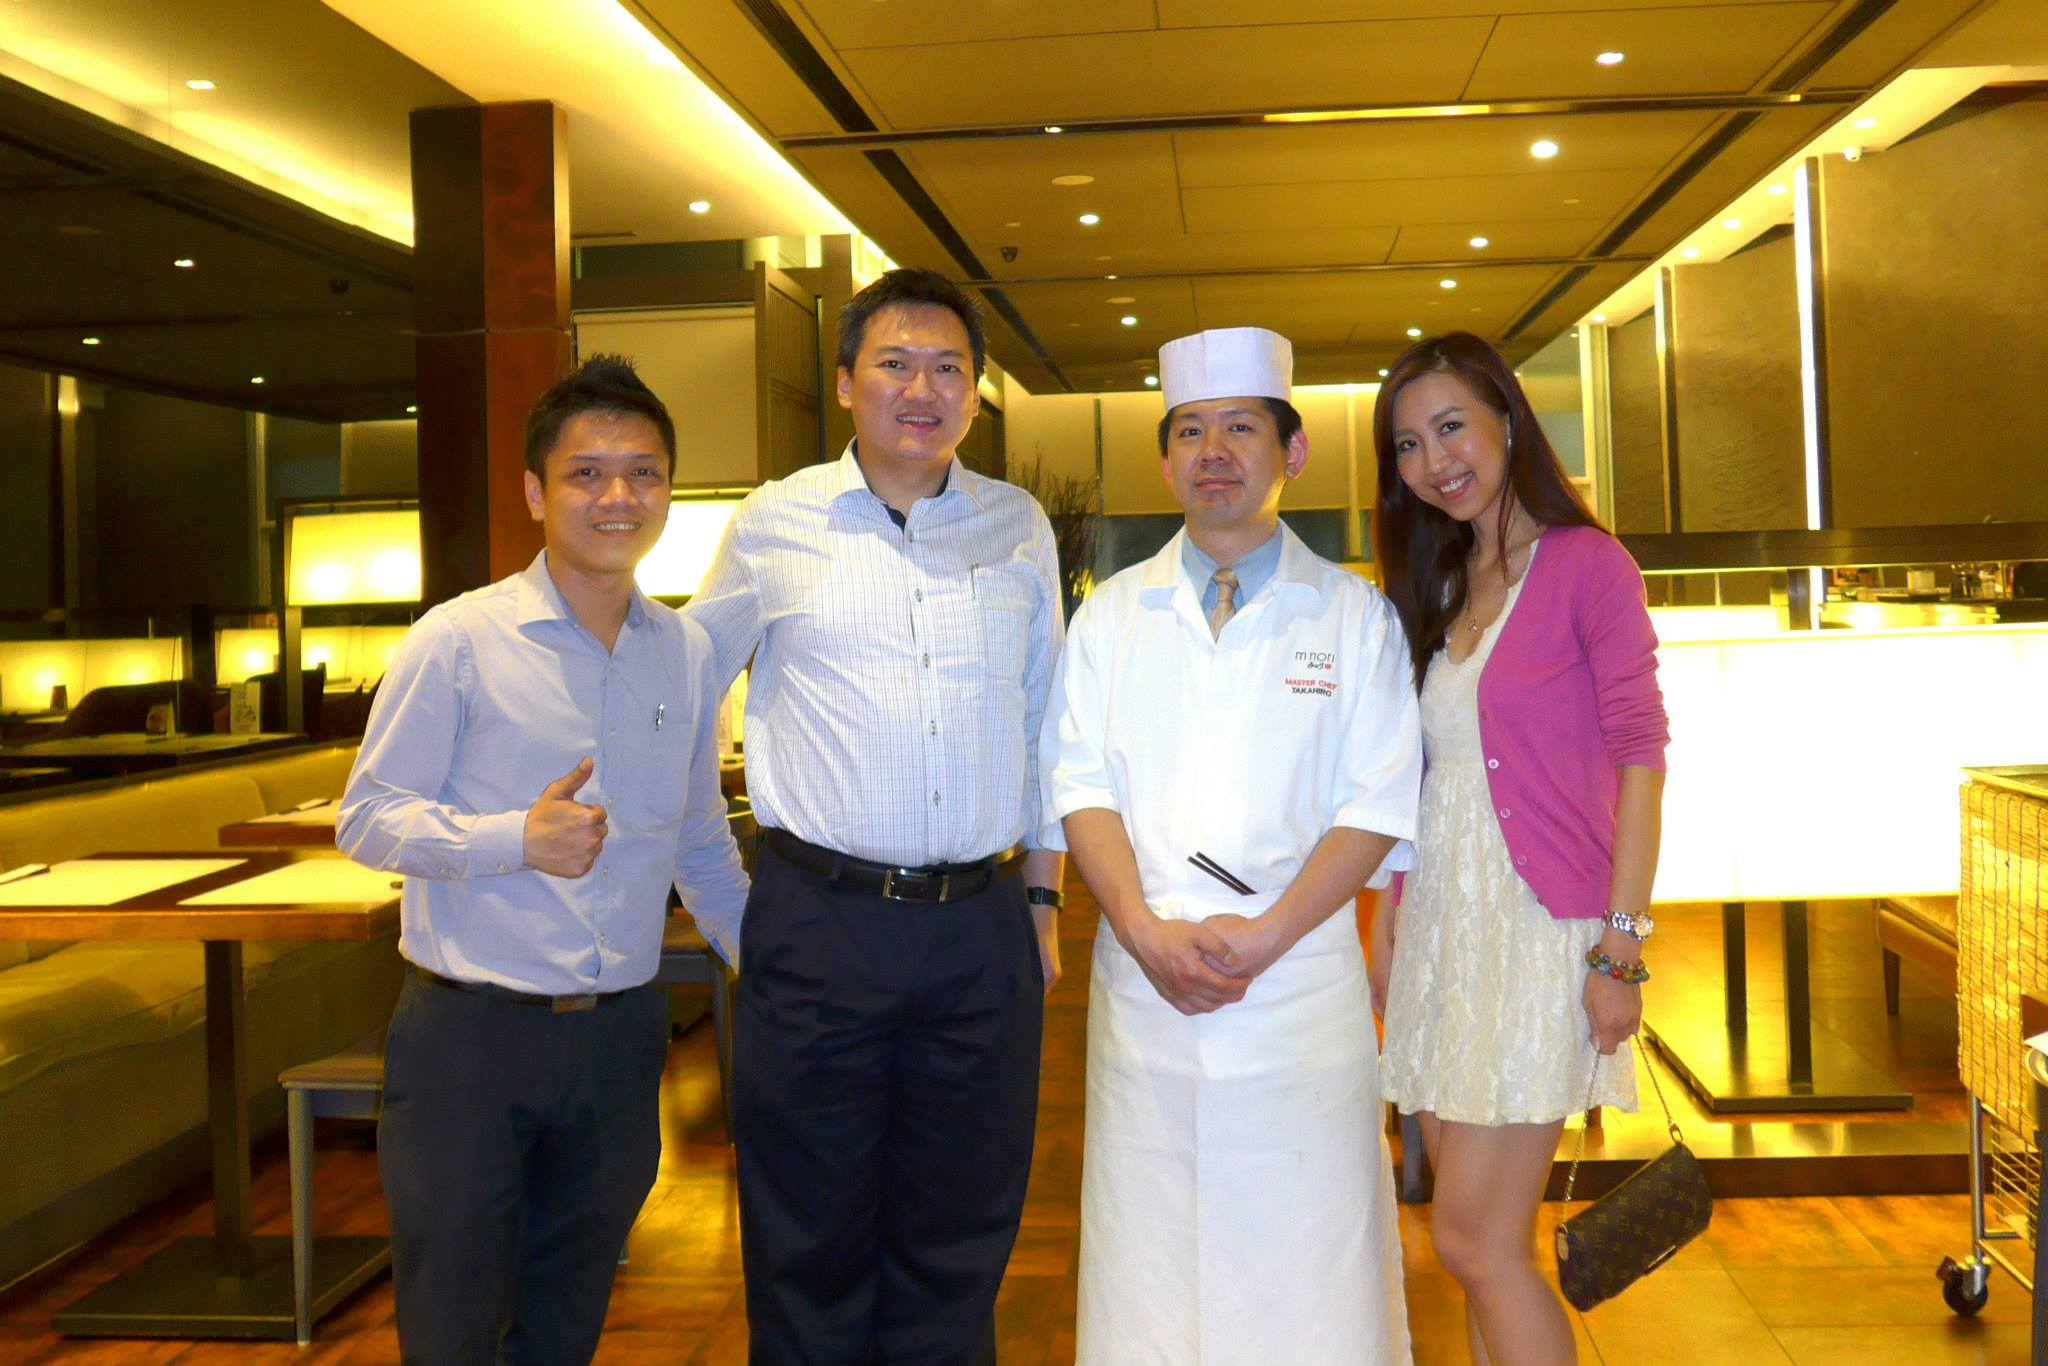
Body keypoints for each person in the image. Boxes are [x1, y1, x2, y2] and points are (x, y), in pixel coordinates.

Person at [685, 268, 1065, 1365]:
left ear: (975, 393)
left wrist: (1042, 901)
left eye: (949, 368)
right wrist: (727, 902)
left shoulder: (1015, 525)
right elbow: (682, 698)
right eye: (895, 363)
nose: (923, 388)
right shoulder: (774, 521)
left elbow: (1049, 722)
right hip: (819, 919)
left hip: (980, 926)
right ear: (847, 382)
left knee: (961, 1230)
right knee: (808, 1234)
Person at [336, 356, 749, 1365]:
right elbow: (367, 818)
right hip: (471, 1042)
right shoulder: (458, 639)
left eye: (643, 473)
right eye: (586, 473)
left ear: (668, 492)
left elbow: (699, 838)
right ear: (535, 491)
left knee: (568, 1315)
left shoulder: (688, 652)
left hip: (619, 1041)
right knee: (453, 1322)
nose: (618, 497)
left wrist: (777, 968)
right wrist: (512, 839)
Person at [1041, 326, 1420, 1365]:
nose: (1213, 452)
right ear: (1165, 461)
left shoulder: (1354, 617)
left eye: (1241, 428)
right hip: (1147, 986)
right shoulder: (1111, 618)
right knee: (1148, 1261)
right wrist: (1140, 929)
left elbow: (1375, 803)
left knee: (1311, 1262)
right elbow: (1080, 787)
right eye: (1190, 431)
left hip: (1297, 990)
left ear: (1291, 451)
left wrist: (1265, 935)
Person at [1373, 331, 1669, 1366]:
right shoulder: (1441, 580)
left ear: (1506, 417)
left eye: (1451, 426)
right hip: (1444, 938)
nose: (1434, 460)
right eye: (1408, 444)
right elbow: (1427, 781)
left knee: (1475, 1239)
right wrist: (1390, 922)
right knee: (1476, 1251)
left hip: (1540, 935)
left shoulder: (1588, 565)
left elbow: (1640, 757)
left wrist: (1620, 947)